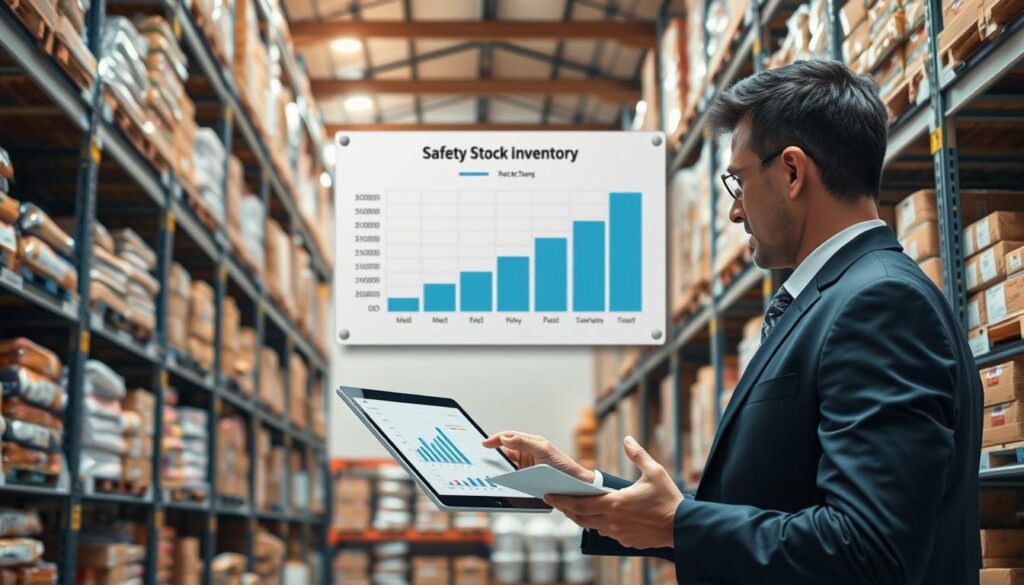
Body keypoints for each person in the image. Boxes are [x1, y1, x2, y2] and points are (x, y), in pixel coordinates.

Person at [482, 60, 982, 584]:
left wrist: (680, 524)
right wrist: (589, 486)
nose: (734, 212)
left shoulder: (880, 304)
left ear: (791, 172)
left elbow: (869, 549)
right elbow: (766, 505)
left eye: (737, 181)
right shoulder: (840, 298)